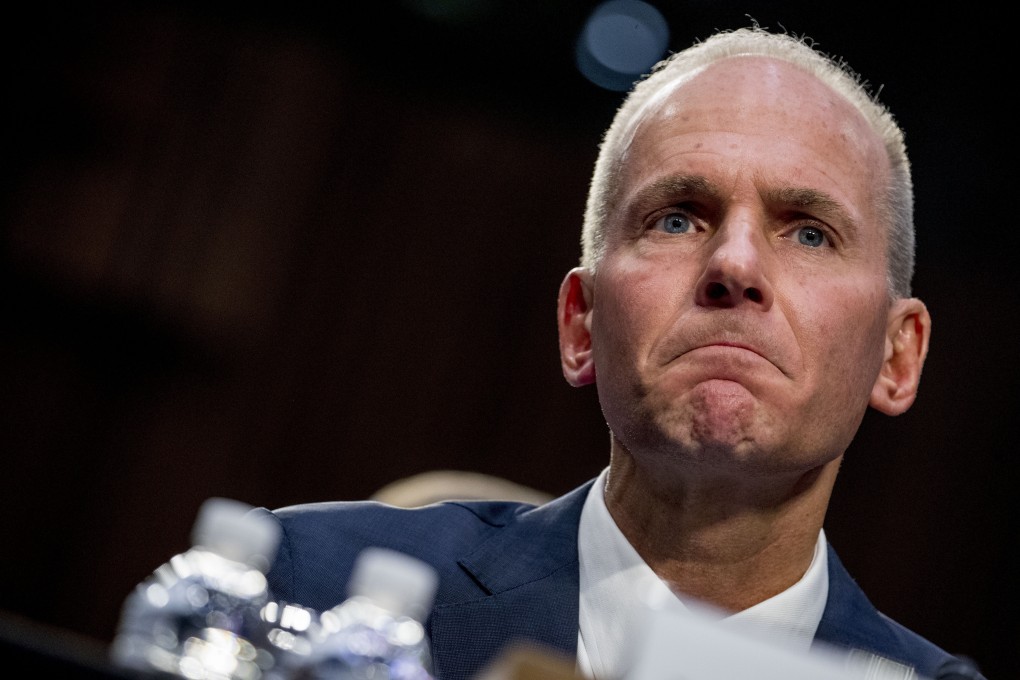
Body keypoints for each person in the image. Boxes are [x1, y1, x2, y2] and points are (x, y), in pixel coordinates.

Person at [250, 26, 986, 680]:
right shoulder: (301, 585)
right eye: (677, 219)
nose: (735, 265)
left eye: (810, 233)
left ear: (896, 357)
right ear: (581, 324)